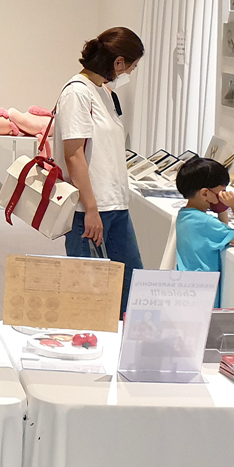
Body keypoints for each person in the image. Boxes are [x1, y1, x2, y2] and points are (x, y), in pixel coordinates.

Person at [51, 26, 146, 311]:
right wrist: (90, 209)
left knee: (130, 290)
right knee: (88, 297)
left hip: (115, 205)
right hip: (88, 209)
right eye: (131, 67)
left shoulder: (105, 93)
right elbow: (74, 155)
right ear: (118, 62)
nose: (129, 73)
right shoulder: (77, 93)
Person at [173, 157, 234, 306]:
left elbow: (222, 227)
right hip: (202, 293)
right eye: (222, 192)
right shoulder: (205, 222)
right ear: (204, 194)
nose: (224, 195)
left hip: (188, 287)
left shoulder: (185, 215)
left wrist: (221, 207)